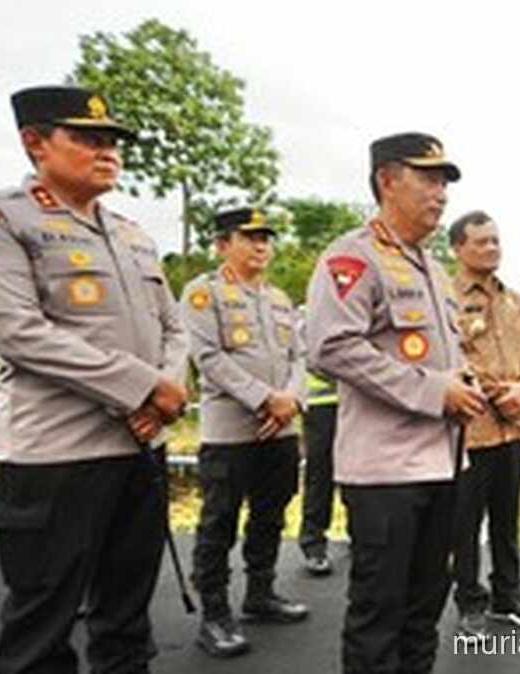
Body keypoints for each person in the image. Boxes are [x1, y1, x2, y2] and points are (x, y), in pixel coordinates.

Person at [0, 85, 189, 674]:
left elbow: (174, 329)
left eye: (113, 141)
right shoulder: (7, 222)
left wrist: (167, 391)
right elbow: (18, 332)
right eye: (88, 138)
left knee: (126, 623)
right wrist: (141, 386)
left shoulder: (131, 233)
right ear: (34, 143)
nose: (108, 152)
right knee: (41, 628)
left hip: (138, 448)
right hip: (57, 457)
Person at [306, 132, 486, 674]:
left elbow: (435, 357)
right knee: (378, 617)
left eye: (444, 182)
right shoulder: (352, 257)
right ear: (387, 180)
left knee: (423, 613)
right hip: (384, 472)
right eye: (428, 178)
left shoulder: (432, 269)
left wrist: (463, 380)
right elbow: (330, 347)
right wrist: (435, 391)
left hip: (444, 463)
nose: (441, 193)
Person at [181, 207, 310, 658]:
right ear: (222, 244)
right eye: (250, 237)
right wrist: (265, 399)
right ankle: (214, 614)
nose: (261, 246)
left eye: (266, 238)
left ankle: (261, 593)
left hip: (280, 430)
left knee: (271, 514)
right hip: (231, 433)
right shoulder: (203, 293)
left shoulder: (278, 298)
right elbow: (208, 357)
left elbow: (299, 358)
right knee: (219, 521)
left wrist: (291, 400)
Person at [447, 211, 520, 640]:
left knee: (508, 520)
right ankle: (470, 602)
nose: (492, 248)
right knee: (463, 525)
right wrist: (493, 392)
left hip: (514, 430)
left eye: (496, 241)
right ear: (458, 248)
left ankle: (509, 596)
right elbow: (452, 360)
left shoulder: (514, 301)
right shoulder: (444, 298)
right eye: (482, 242)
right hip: (471, 432)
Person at [298, 368, 339, 576]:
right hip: (321, 402)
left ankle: (362, 535)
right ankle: (313, 544)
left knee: (361, 469)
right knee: (320, 473)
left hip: (360, 401)